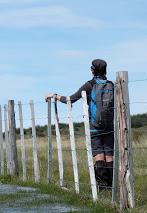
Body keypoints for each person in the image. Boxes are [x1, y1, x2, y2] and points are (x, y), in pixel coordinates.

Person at [45, 59, 114, 189]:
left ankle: (103, 187)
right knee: (109, 156)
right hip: (110, 127)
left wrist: (55, 95)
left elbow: (70, 100)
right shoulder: (112, 85)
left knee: (99, 156)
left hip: (94, 126)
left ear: (93, 70)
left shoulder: (89, 85)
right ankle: (113, 188)